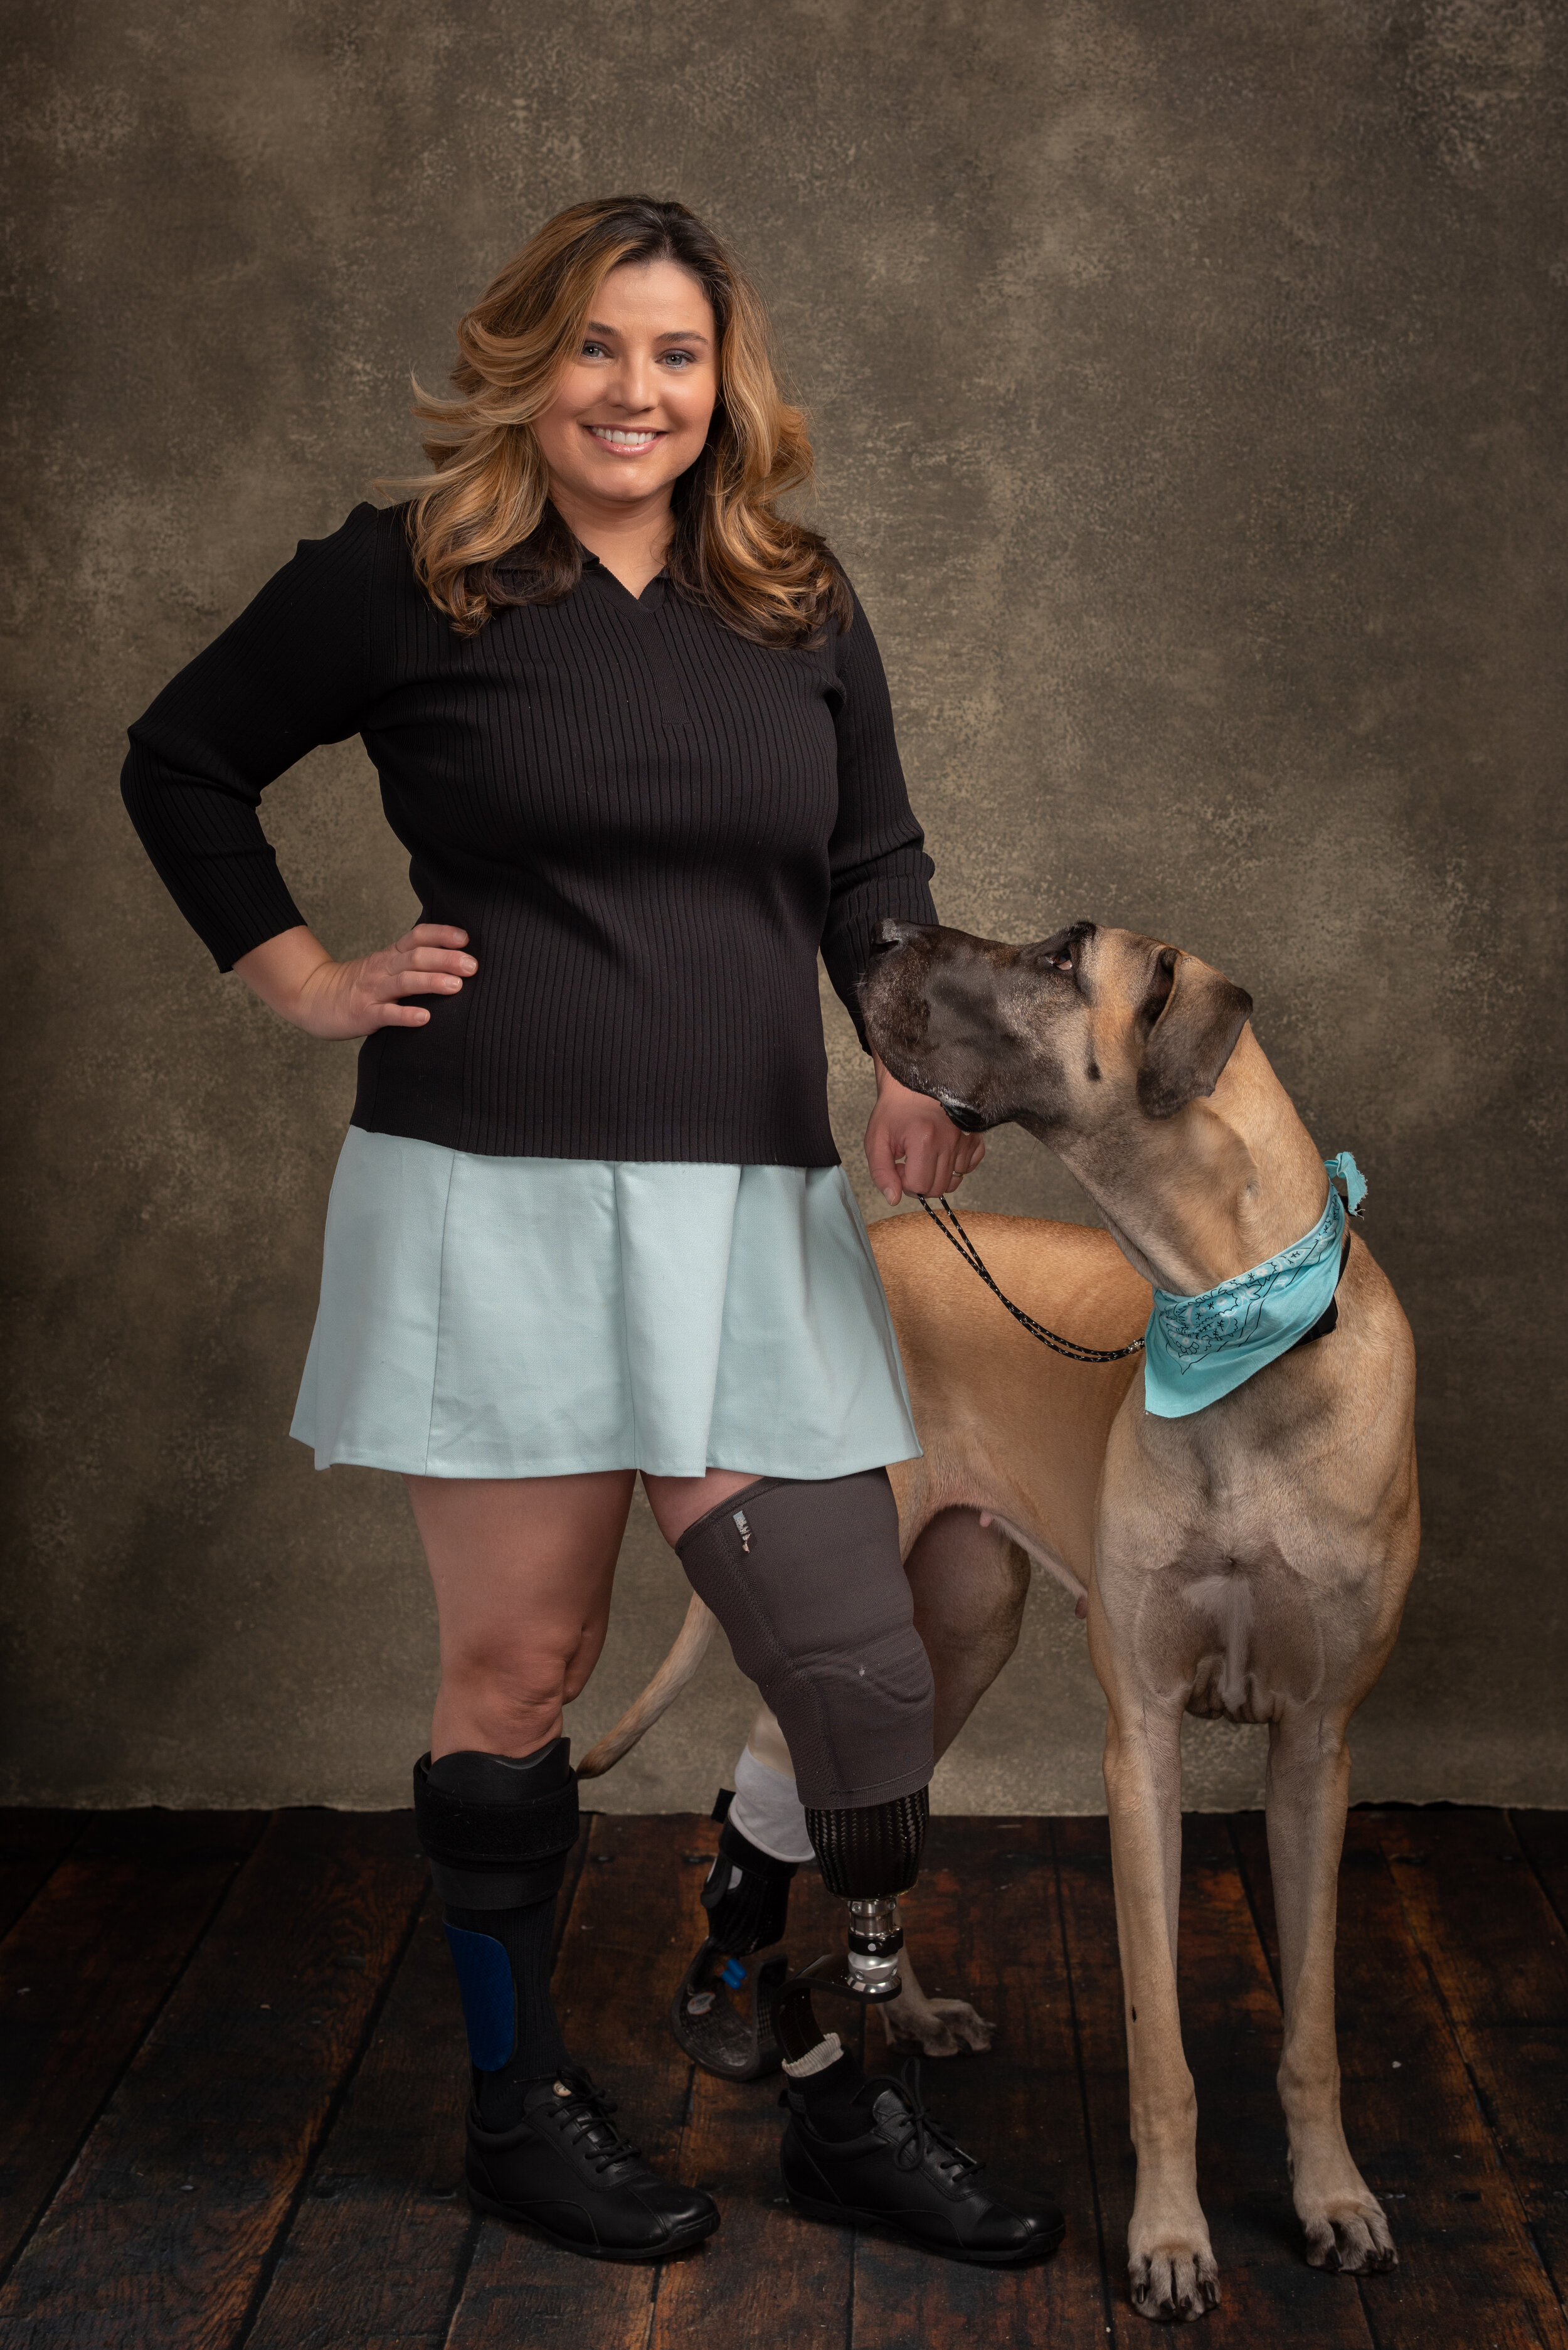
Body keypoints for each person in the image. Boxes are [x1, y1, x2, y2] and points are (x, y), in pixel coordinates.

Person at [122, 194, 1062, 2267]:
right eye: (598, 349)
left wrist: (916, 1056)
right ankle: (512, 2104)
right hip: (495, 1195)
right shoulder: (410, 573)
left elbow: (872, 859)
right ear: (526, 359)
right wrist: (296, 975)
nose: (638, 392)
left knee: (855, 1665)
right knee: (521, 1664)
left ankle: (810, 2068)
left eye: (678, 355)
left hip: (743, 1191)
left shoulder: (793, 596)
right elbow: (182, 758)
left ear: (727, 384)